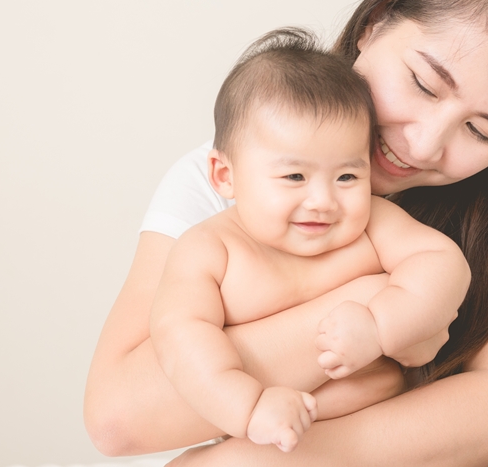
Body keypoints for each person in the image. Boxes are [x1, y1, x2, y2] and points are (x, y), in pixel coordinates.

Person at [84, 0, 488, 466]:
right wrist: (378, 300)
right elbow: (118, 419)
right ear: (374, 23)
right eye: (424, 84)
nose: (424, 144)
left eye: (482, 131)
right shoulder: (227, 182)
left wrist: (264, 460)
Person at [150, 29, 470, 453]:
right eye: (295, 176)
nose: (323, 201)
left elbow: (443, 262)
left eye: (347, 177)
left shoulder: (373, 224)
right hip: (270, 445)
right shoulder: (209, 251)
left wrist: (382, 324)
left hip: (386, 443)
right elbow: (181, 337)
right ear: (225, 176)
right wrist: (249, 407)